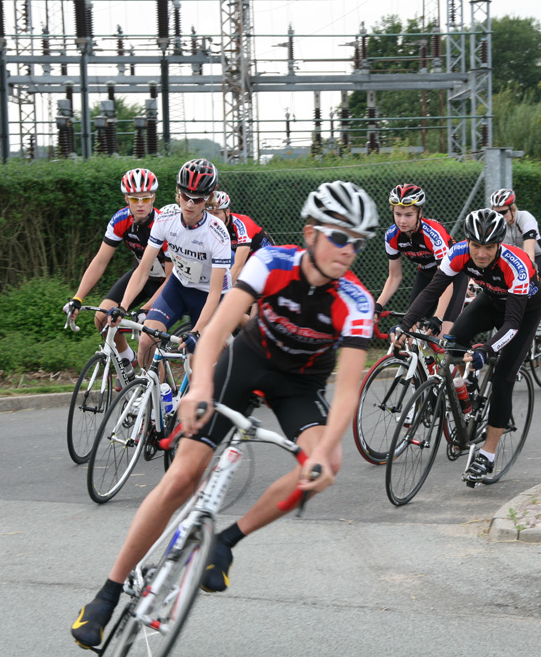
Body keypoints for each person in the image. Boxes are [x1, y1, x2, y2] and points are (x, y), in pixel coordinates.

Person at [71, 181, 378, 649]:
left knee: (327, 467)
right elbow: (216, 330)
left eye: (358, 242)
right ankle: (107, 593)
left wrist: (326, 449)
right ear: (312, 232)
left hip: (300, 385)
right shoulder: (272, 263)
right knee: (181, 478)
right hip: (247, 362)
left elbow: (348, 391)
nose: (348, 250)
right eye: (340, 237)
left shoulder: (356, 302)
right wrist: (199, 387)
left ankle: (226, 541)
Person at [395, 208, 541, 484]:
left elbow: (511, 325)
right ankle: (466, 392)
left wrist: (486, 350)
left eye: (488, 247)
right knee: (451, 344)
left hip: (522, 314)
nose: (481, 253)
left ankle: (487, 455)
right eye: (476, 246)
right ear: (468, 242)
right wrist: (406, 324)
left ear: (499, 244)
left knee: (501, 381)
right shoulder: (459, 253)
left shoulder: (517, 265)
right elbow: (432, 291)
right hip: (490, 301)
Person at [112, 159, 231, 368]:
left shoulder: (217, 233)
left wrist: (196, 332)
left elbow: (214, 293)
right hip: (178, 286)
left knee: (198, 363)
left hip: (208, 296)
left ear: (208, 198)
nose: (190, 204)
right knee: (146, 340)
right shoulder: (166, 218)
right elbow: (142, 270)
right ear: (178, 192)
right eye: (186, 196)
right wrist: (122, 306)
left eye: (198, 199)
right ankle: (159, 398)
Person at [63, 168, 171, 383]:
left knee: (148, 340)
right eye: (134, 198)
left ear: (154, 198)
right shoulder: (120, 220)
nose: (140, 204)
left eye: (146, 198)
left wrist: (146, 308)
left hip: (166, 283)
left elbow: (170, 279)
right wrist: (78, 297)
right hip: (141, 276)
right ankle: (127, 362)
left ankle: (159, 398)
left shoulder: (164, 225)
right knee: (102, 317)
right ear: (126, 199)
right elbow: (100, 261)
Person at [374, 184, 466, 335]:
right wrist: (378, 305)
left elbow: (445, 279)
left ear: (419, 213)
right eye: (398, 214)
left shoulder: (434, 233)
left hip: (453, 275)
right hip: (425, 274)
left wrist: (438, 317)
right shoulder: (391, 236)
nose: (402, 221)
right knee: (409, 331)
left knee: (444, 335)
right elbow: (394, 276)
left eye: (408, 215)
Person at [207, 190, 273, 282]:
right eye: (210, 214)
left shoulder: (241, 224)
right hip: (246, 260)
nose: (213, 218)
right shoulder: (208, 224)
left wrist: (222, 293)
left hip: (266, 260)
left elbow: (238, 266)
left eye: (217, 213)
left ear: (227, 212)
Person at [491, 188, 541, 272]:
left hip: (537, 257)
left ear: (513, 211)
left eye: (503, 213)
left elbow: (529, 253)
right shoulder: (494, 224)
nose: (499, 216)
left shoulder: (526, 218)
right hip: (514, 259)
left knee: (530, 281)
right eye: (496, 213)